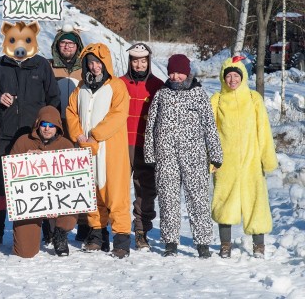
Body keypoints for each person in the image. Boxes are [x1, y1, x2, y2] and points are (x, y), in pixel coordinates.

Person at [0, 21, 60, 248]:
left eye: (26, 40)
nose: (20, 45)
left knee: (42, 183)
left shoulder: (42, 65)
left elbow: (53, 99)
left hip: (35, 136)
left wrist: (47, 130)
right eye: (14, 40)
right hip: (5, 134)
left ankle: (50, 231)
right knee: (0, 184)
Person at [144, 53, 223, 258]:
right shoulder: (162, 94)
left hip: (194, 155)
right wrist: (150, 153)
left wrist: (215, 153)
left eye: (179, 72)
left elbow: (209, 125)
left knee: (198, 198)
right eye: (172, 72)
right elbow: (151, 124)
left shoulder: (198, 94)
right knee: (168, 198)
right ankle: (170, 242)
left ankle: (203, 243)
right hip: (166, 155)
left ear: (187, 72)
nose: (175, 76)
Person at [66, 42, 132, 259]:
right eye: (91, 63)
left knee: (115, 194)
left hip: (110, 150)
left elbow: (119, 114)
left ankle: (121, 239)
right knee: (92, 193)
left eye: (98, 63)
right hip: (86, 148)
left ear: (106, 64)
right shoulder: (81, 88)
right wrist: (78, 135)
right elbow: (71, 112)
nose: (94, 67)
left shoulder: (117, 86)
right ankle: (97, 236)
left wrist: (95, 134)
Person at [210, 56, 277, 258]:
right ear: (223, 77)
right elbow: (211, 132)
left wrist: (267, 158)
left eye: (236, 76)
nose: (232, 80)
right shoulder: (217, 99)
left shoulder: (254, 98)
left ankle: (259, 245)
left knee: (256, 201)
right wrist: (212, 159)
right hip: (226, 162)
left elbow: (263, 130)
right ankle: (225, 245)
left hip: (251, 161)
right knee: (224, 202)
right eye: (228, 75)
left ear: (243, 77)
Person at [8, 106, 78, 258]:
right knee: (25, 252)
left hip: (58, 199)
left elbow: (75, 183)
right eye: (44, 125)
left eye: (52, 125)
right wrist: (25, 159)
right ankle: (43, 227)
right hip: (31, 202)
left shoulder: (66, 145)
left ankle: (59, 233)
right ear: (37, 124)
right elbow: (9, 173)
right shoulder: (23, 142)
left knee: (72, 202)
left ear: (58, 126)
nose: (47, 129)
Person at [119, 43, 163, 250]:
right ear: (130, 62)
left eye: (143, 61)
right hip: (121, 144)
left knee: (145, 190)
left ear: (148, 62)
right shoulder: (119, 84)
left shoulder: (157, 86)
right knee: (117, 189)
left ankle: (141, 230)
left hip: (146, 145)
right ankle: (117, 229)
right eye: (135, 60)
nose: (139, 65)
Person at [49, 24, 89, 242]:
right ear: (57, 45)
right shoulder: (48, 67)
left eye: (71, 43)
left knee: (80, 176)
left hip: (78, 128)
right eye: (63, 43)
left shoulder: (85, 68)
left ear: (77, 46)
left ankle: (83, 223)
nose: (67, 47)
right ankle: (53, 226)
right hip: (54, 129)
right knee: (55, 177)